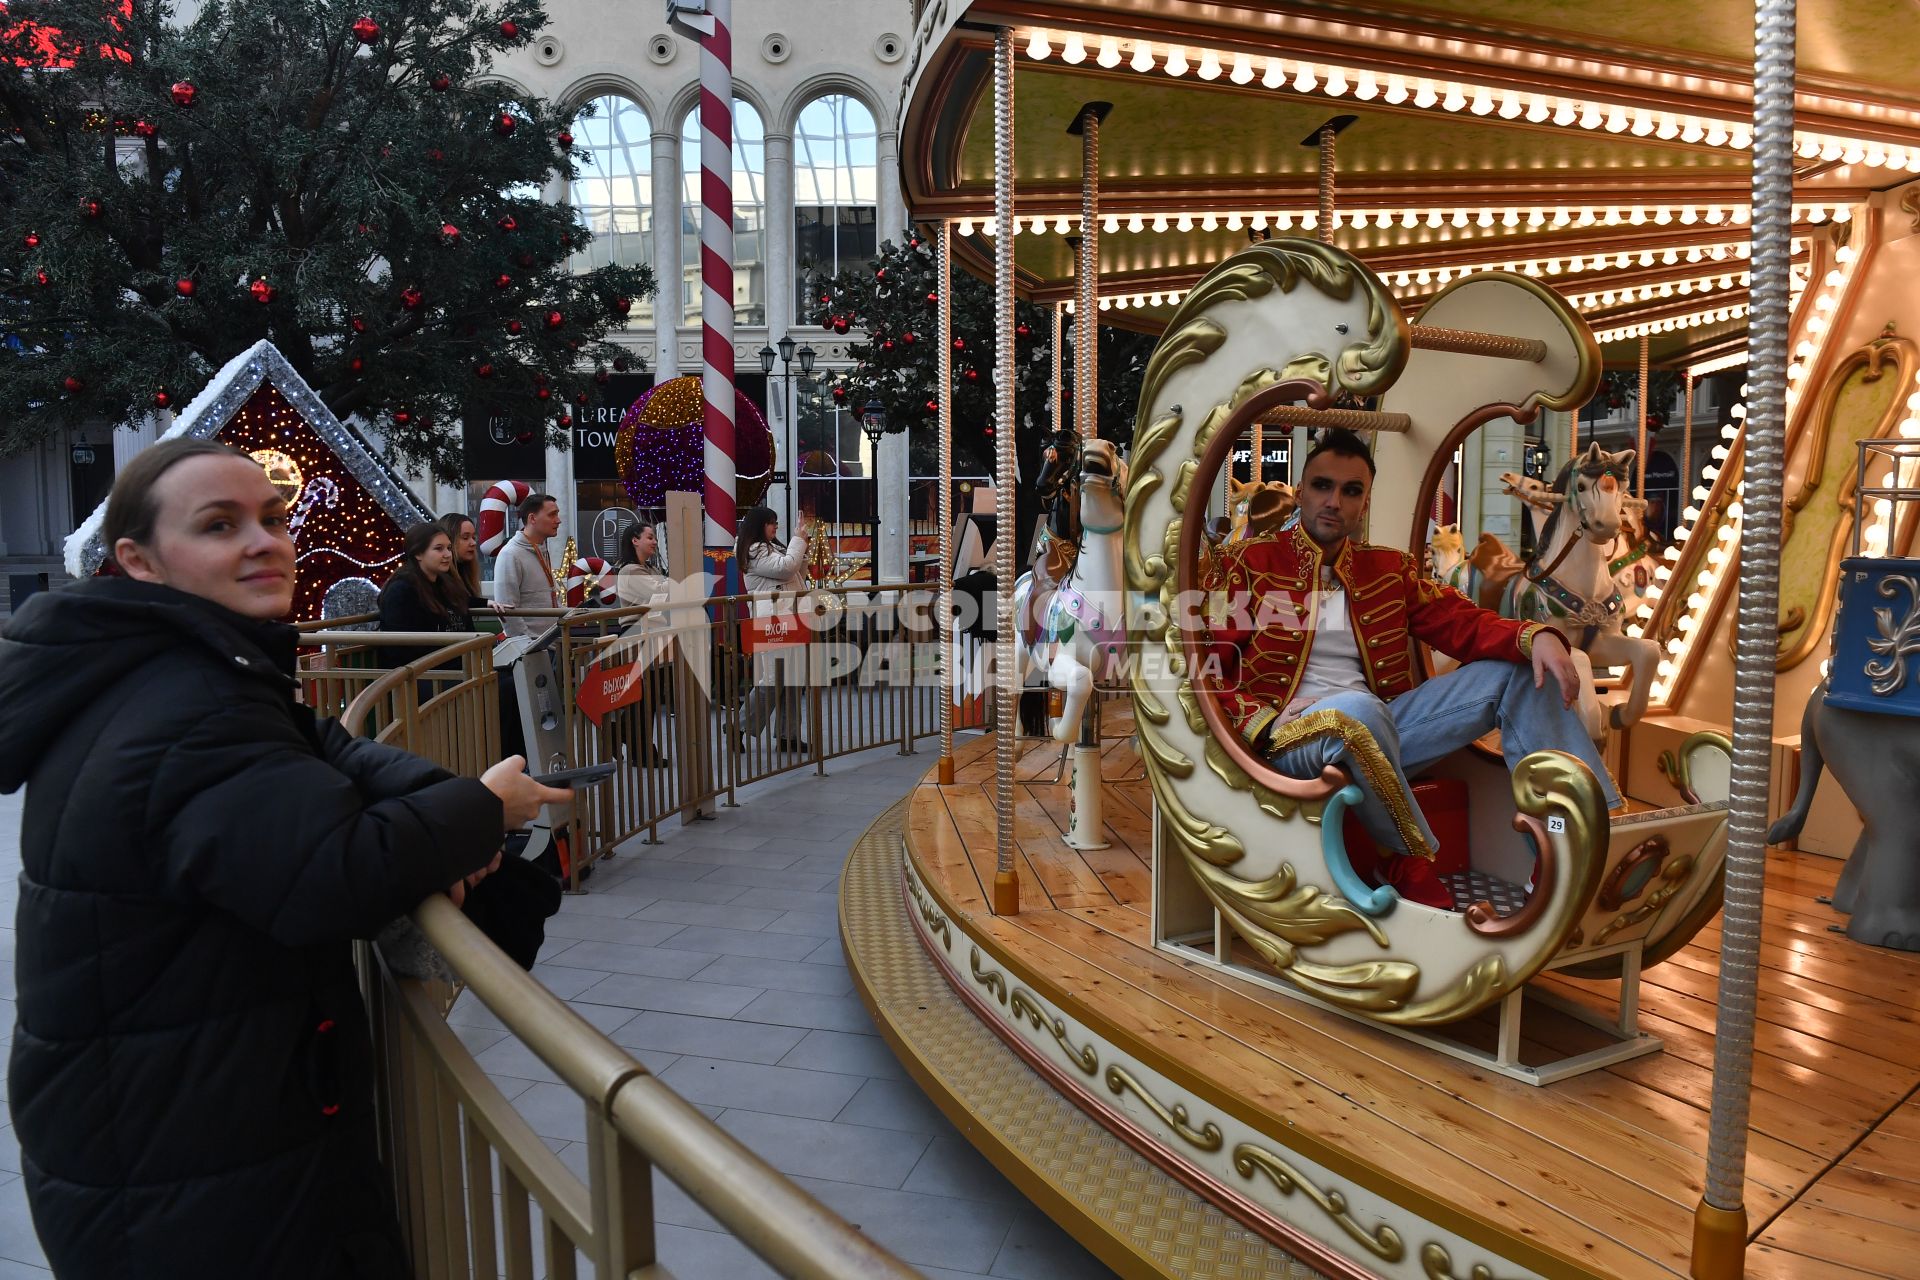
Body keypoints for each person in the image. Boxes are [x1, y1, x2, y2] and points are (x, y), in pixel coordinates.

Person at [0, 439, 572, 1278]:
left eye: (271, 518)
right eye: (219, 525)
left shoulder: (186, 665)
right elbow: (330, 873)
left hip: (171, 1121)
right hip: (189, 1166)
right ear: (140, 560)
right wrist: (486, 809)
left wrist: (442, 799)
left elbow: (327, 747)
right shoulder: (184, 705)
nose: (263, 541)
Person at [1204, 430, 1620, 909]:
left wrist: (1537, 635)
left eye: (1351, 491)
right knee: (1359, 709)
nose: (1334, 501)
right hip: (1290, 740)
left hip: (1381, 726)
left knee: (1523, 670)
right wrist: (1264, 719)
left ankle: (1575, 837)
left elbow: (1461, 622)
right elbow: (1205, 665)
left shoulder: (1387, 569)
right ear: (1301, 490)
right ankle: (1406, 858)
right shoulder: (1247, 565)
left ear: (1364, 503)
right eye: (1322, 486)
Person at [735, 504, 810, 752]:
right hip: (772, 622)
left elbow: (796, 571)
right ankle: (739, 725)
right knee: (773, 679)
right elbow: (785, 568)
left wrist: (800, 548)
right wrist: (797, 541)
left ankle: (789, 736)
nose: (775, 526)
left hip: (789, 617)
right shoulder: (754, 550)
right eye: (771, 522)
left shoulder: (773, 547)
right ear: (759, 525)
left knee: (793, 679)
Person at [377, 521, 460, 674]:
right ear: (418, 553)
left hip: (451, 667)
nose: (448, 554)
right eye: (438, 549)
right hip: (414, 678)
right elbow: (404, 650)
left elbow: (465, 603)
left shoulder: (443, 583)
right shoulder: (401, 590)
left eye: (449, 548)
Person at [492, 491, 561, 637]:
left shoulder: (541, 549)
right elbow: (507, 609)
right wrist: (528, 646)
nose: (558, 520)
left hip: (551, 643)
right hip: (533, 647)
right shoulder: (510, 554)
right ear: (532, 518)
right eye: (552, 515)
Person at [439, 511, 482, 630]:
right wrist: (486, 602)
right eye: (465, 537)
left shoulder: (465, 571)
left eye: (474, 537)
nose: (473, 543)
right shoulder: (437, 576)